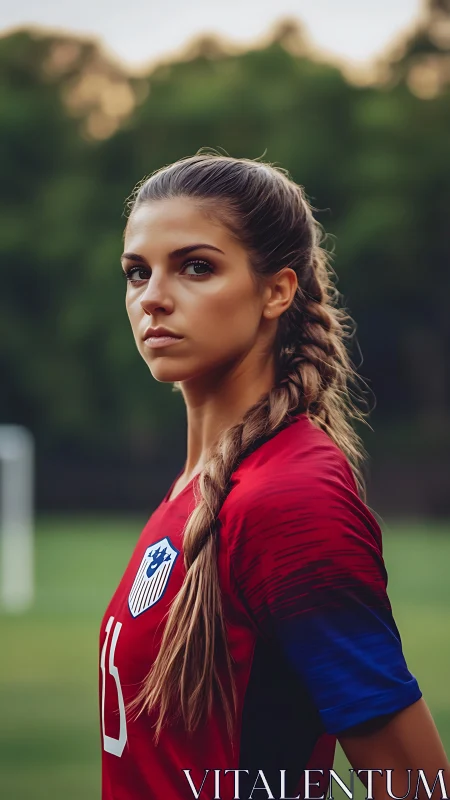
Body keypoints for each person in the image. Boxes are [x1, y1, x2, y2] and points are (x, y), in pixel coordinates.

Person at [99, 152, 449, 800]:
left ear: (276, 291)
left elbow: (415, 782)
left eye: (196, 267)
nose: (152, 297)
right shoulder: (197, 487)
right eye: (137, 272)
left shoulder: (289, 497)